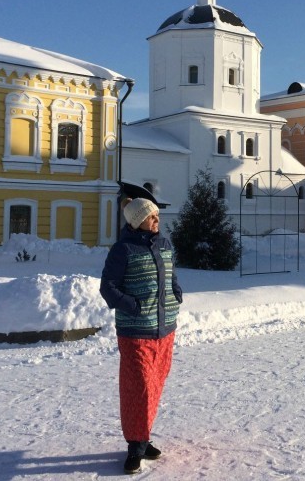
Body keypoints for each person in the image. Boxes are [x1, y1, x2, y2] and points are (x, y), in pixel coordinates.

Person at [100, 197, 183, 474]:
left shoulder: (165, 244)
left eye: (158, 215)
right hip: (135, 331)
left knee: (155, 386)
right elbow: (108, 288)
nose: (157, 220)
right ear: (137, 221)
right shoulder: (123, 249)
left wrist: (176, 293)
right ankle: (134, 447)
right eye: (152, 217)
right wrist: (133, 306)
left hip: (164, 328)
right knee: (139, 387)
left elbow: (170, 276)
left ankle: (143, 438)